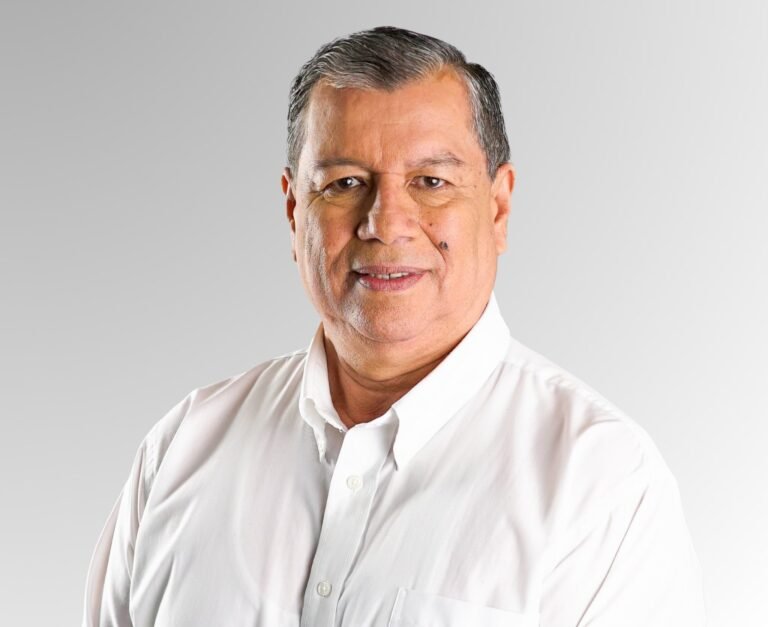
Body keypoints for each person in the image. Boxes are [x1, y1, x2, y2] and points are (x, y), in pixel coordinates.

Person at [83, 26, 704, 626]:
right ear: (294, 210)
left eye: (431, 182)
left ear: (498, 207)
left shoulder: (602, 483)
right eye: (345, 183)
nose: (385, 223)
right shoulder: (183, 448)